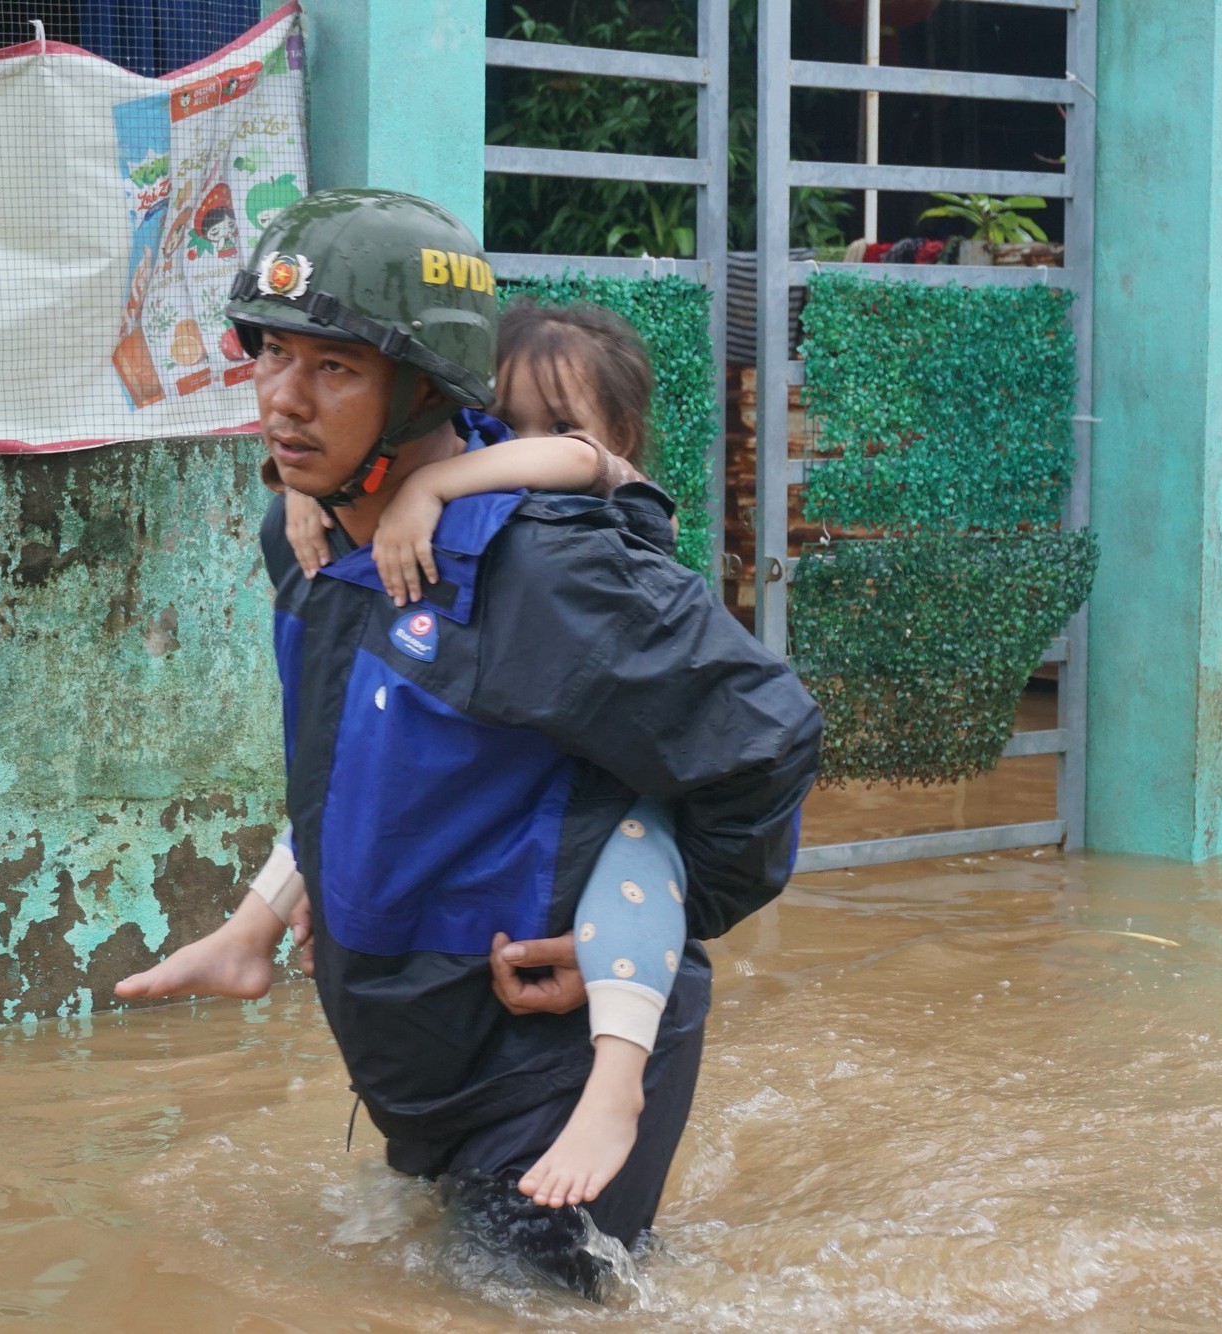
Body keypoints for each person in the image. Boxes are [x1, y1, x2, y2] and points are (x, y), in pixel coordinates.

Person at [119, 187, 820, 1296]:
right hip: (413, 1057)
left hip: (544, 1067)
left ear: (421, 390)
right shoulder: (298, 530)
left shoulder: (545, 567)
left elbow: (763, 746)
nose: (283, 401)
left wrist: (653, 933)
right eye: (270, 355)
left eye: (334, 369)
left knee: (518, 1306)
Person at [120, 298, 690, 1212]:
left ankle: (615, 1084)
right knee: (355, 793)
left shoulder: (590, 491)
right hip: (516, 821)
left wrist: (429, 488)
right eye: (505, 423)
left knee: (639, 851)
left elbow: (566, 459)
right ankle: (247, 932)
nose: (524, 446)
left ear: (617, 435)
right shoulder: (462, 541)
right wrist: (307, 493)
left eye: (555, 424)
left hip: (618, 796)